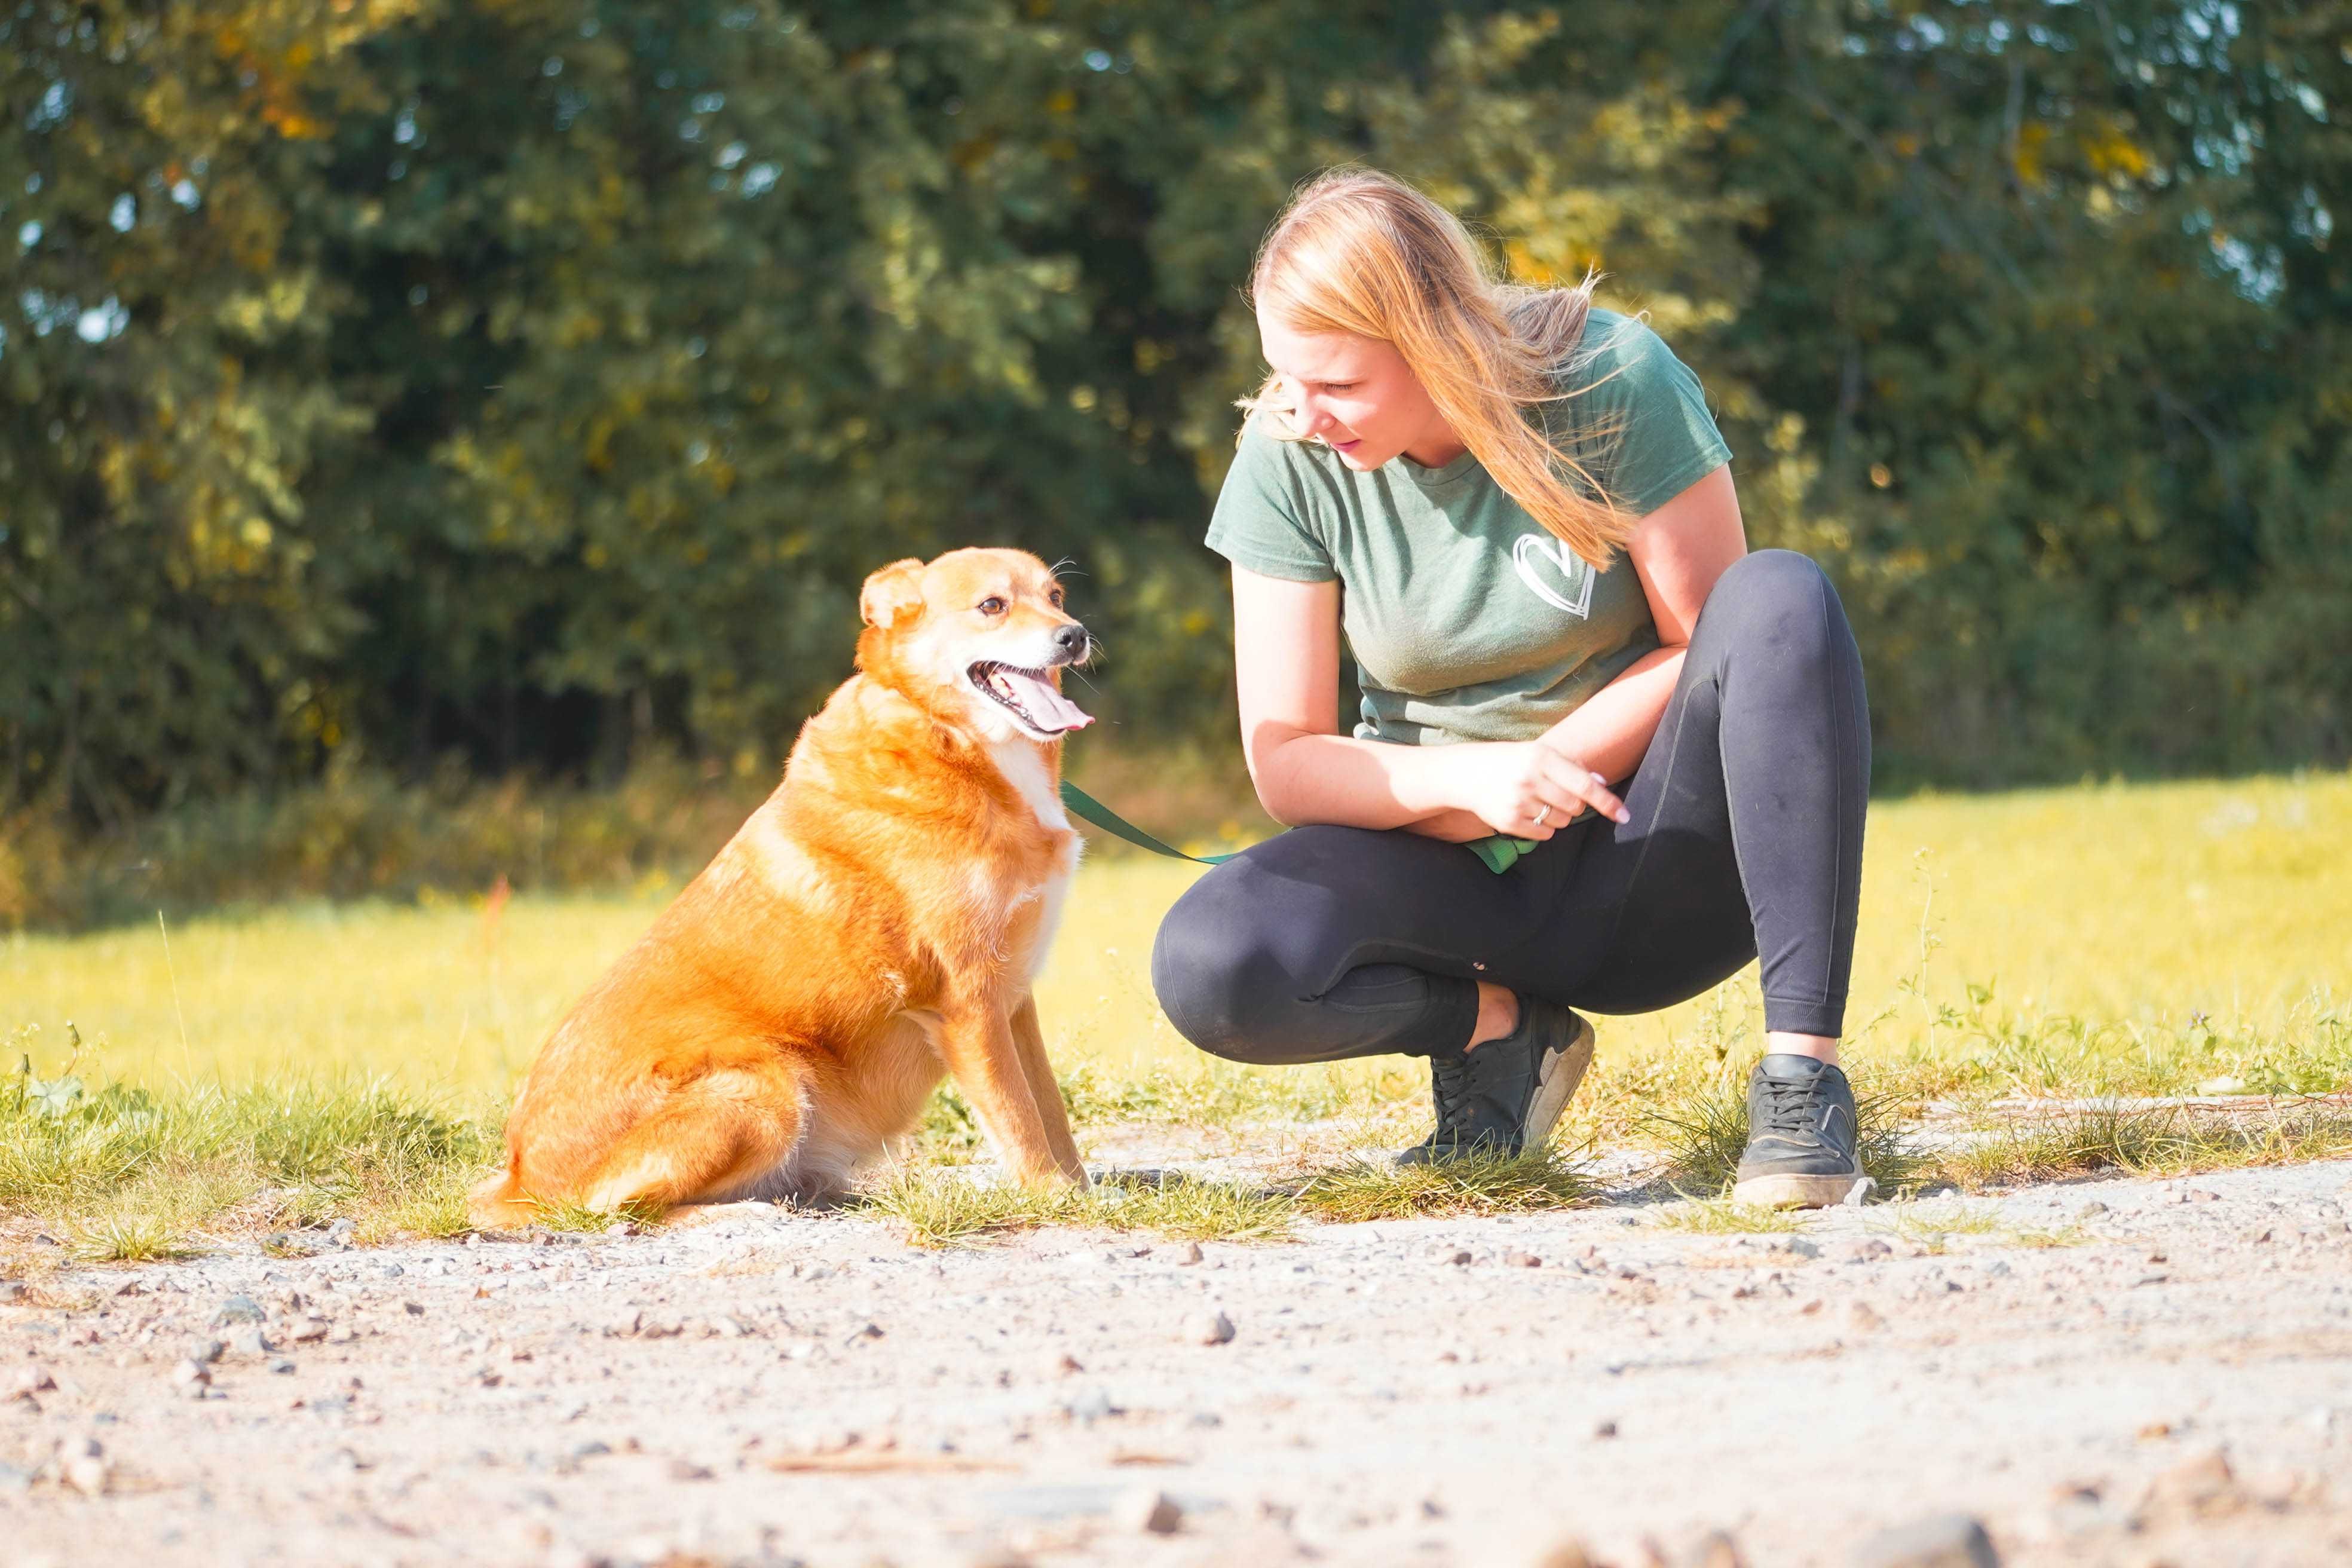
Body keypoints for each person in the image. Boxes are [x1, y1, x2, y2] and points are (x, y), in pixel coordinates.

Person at [1148, 168, 1872, 1208]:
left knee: (1781, 595)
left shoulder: (1614, 376)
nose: (1304, 414)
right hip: (1451, 879)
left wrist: (1557, 764)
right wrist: (1480, 781)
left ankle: (1807, 1086)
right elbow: (1289, 761)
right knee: (1213, 965)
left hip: (1648, 861)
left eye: (1339, 385)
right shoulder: (1285, 449)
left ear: (1433, 339)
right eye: (1283, 377)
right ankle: (1502, 1040)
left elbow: (1715, 643)